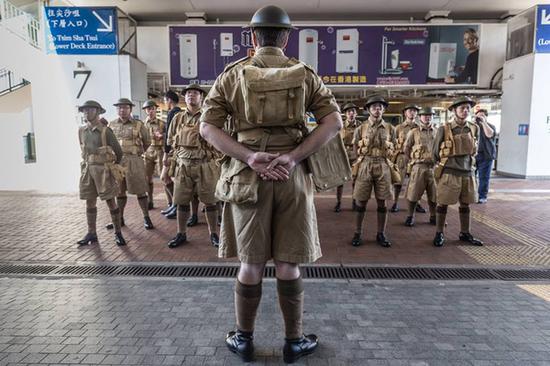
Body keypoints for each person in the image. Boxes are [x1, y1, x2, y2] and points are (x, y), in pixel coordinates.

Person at [199, 5, 342, 363]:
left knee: (250, 262)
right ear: (287, 37)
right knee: (288, 262)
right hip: (291, 176)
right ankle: (293, 342)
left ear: (252, 37)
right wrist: (292, 158)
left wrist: (249, 157)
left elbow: (207, 127)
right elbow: (333, 122)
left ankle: (244, 340)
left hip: (248, 176)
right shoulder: (305, 74)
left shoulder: (232, 75)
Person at [163, 84, 221, 248]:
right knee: (181, 202)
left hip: (205, 165)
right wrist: (167, 164)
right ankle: (181, 233)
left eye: (195, 93)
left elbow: (220, 141)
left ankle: (213, 234)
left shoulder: (209, 116)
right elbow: (170, 143)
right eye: (188, 93)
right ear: (184, 97)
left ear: (201, 97)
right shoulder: (177, 118)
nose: (191, 96)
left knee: (210, 201)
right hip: (183, 166)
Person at [432, 96, 483, 247]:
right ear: (454, 110)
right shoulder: (444, 129)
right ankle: (439, 233)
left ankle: (465, 233)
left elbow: (475, 150)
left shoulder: (474, 128)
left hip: (467, 172)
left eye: (468, 108)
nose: (465, 111)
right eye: (462, 108)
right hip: (450, 172)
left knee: (465, 204)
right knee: (443, 204)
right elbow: (434, 153)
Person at [76, 100, 126, 246]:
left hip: (103, 170)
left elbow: (119, 152)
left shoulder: (106, 131)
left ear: (98, 112)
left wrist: (112, 168)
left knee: (110, 201)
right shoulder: (81, 131)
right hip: (88, 170)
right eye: (84, 110)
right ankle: (92, 233)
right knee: (89, 201)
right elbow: (82, 149)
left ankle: (118, 233)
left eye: (90, 110)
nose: (86, 113)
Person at [351, 95, 395, 248]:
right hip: (365, 164)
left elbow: (394, 147)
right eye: (374, 107)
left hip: (383, 165)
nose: (378, 109)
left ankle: (381, 233)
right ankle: (357, 233)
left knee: (382, 202)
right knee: (361, 201)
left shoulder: (390, 128)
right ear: (368, 110)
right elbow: (356, 148)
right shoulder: (360, 128)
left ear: (383, 110)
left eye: (380, 107)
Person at [107, 98, 154, 230]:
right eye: (120, 107)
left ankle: (146, 217)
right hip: (117, 162)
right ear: (117, 110)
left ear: (130, 109)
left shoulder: (138, 124)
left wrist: (137, 153)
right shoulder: (111, 125)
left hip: (134, 160)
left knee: (140, 190)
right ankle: (119, 219)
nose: (122, 110)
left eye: (125, 107)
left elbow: (147, 141)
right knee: (119, 191)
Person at [403, 107, 438, 226]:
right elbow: (406, 148)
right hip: (419, 167)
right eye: (425, 115)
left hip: (434, 167)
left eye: (430, 115)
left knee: (434, 194)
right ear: (420, 117)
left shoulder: (437, 132)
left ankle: (433, 216)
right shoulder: (413, 132)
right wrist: (411, 162)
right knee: (413, 194)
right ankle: (410, 216)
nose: (428, 117)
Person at [391, 104, 427, 213]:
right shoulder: (398, 128)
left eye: (415, 111)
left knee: (417, 183)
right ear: (405, 113)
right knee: (398, 182)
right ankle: (395, 203)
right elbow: (392, 143)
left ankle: (417, 203)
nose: (412, 113)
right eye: (410, 111)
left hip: (416, 159)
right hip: (402, 157)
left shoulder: (420, 127)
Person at [334, 102, 360, 212]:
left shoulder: (360, 126)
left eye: (353, 111)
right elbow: (334, 141)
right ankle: (338, 202)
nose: (351, 113)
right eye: (349, 112)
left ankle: (354, 201)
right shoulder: (340, 126)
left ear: (356, 113)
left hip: (356, 155)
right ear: (345, 114)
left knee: (355, 180)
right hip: (342, 154)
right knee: (340, 181)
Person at [160, 90, 182, 219]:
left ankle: (177, 204)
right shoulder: (180, 112)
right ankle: (175, 204)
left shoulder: (173, 113)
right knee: (168, 178)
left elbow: (169, 135)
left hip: (173, 151)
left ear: (169, 100)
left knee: (165, 177)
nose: (164, 103)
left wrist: (166, 153)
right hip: (176, 149)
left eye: (165, 100)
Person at [142, 100, 166, 210]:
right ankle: (150, 200)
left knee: (165, 177)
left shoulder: (162, 123)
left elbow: (169, 137)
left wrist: (162, 136)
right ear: (145, 111)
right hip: (147, 152)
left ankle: (171, 203)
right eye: (148, 109)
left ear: (156, 109)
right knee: (147, 178)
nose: (150, 111)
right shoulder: (141, 125)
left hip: (159, 151)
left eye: (152, 108)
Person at [474, 108, 496, 204]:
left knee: (484, 177)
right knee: (471, 177)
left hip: (486, 156)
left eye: (482, 116)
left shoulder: (490, 126)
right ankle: (472, 194)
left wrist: (483, 123)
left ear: (486, 117)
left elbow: (489, 134)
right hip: (473, 155)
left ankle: (482, 196)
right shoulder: (473, 127)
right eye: (478, 116)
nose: (480, 118)